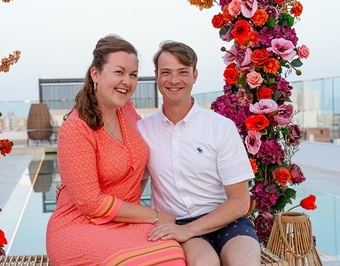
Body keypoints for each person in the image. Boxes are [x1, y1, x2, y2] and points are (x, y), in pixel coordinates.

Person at [45, 35, 186, 266]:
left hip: (127, 223)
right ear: (95, 74)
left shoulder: (126, 110)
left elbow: (141, 159)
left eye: (133, 75)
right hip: (80, 227)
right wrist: (158, 216)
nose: (127, 82)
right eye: (119, 72)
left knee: (174, 254)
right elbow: (92, 204)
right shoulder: (76, 128)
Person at [136, 41, 261, 266]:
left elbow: (240, 202)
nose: (174, 80)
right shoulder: (143, 130)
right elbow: (128, 185)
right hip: (177, 222)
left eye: (182, 72)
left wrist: (190, 230)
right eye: (166, 72)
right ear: (156, 76)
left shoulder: (221, 127)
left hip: (228, 220)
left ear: (195, 75)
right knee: (204, 263)